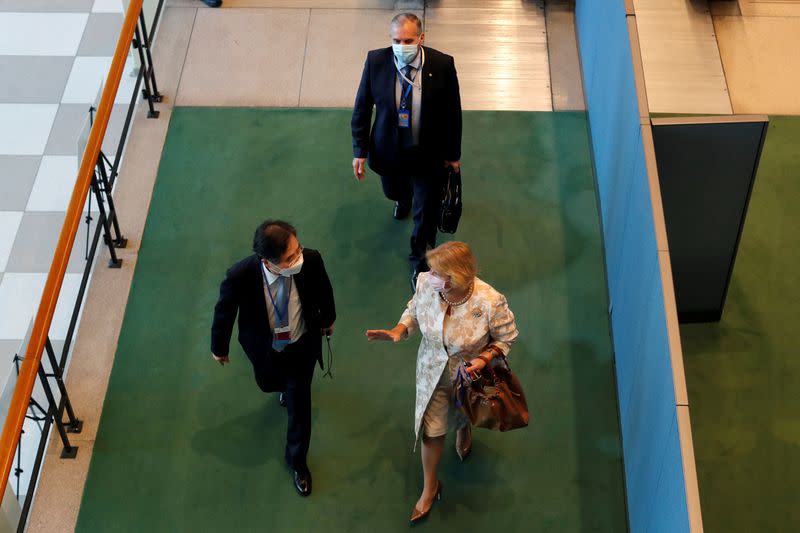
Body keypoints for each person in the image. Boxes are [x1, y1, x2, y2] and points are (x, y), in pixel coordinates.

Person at [365, 241, 519, 524]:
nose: (428, 275)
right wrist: (399, 330)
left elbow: (506, 337)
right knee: (432, 431)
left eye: (437, 272)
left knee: (464, 414)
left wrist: (483, 360)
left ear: (455, 278)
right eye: (431, 270)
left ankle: (464, 430)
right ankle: (429, 487)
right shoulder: (426, 283)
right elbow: (414, 309)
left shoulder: (490, 301)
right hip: (432, 373)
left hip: (469, 379)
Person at [210, 220, 336, 497]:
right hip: (266, 349)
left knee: (299, 405)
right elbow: (224, 310)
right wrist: (219, 346)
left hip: (301, 343)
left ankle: (298, 462)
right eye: (291, 257)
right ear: (269, 262)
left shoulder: (311, 259)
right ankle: (281, 389)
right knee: (270, 382)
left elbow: (324, 290)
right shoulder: (240, 276)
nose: (298, 257)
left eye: (298, 249)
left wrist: (328, 321)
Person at [351, 13, 462, 291]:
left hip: (428, 155)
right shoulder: (376, 61)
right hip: (389, 152)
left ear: (421, 38)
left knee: (426, 217)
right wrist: (359, 150)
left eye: (408, 40)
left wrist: (452, 154)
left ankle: (421, 264)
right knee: (395, 192)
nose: (401, 45)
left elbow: (453, 113)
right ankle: (403, 198)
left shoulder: (442, 64)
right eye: (396, 40)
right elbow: (362, 108)